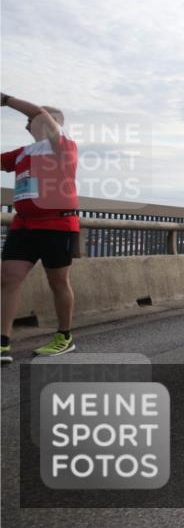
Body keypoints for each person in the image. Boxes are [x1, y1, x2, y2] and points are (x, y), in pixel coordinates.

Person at [1, 95, 80, 363]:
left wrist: (5, 99)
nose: (29, 122)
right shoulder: (23, 152)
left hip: (58, 224)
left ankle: (64, 337)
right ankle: (2, 342)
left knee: (57, 281)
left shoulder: (63, 145)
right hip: (24, 224)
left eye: (34, 119)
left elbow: (36, 112)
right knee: (8, 279)